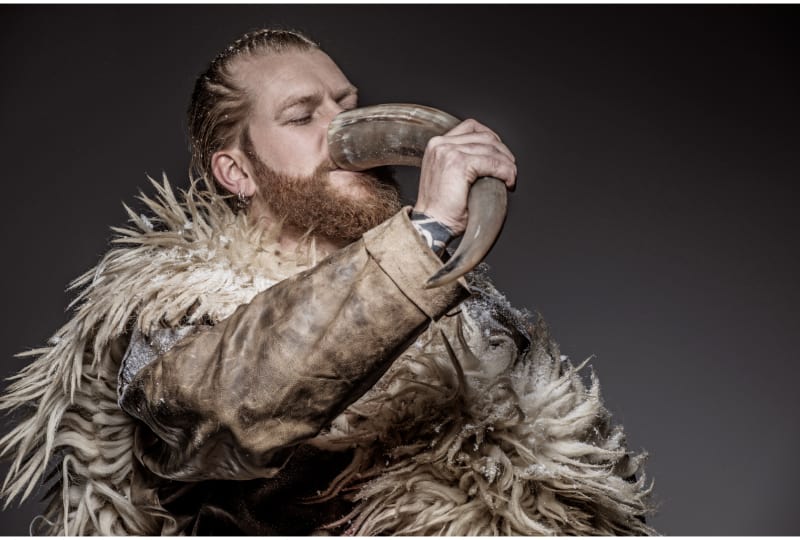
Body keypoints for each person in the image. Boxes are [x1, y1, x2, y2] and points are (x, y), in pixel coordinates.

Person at [0, 28, 654, 535]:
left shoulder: (463, 303)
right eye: (302, 116)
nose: (343, 132)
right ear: (237, 172)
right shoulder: (176, 308)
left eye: (348, 105)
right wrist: (424, 230)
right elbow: (226, 411)